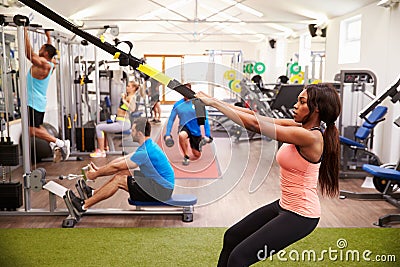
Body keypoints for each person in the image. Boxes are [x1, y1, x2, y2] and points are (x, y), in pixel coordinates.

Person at [196, 83, 341, 266]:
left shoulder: (311, 137)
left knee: (238, 258)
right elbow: (255, 117)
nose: (295, 105)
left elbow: (255, 125)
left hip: (301, 215)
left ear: (317, 109)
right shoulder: (300, 127)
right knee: (231, 237)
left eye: (301, 102)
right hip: (285, 205)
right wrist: (213, 101)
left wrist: (214, 104)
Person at [66, 117, 175, 213]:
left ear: (139, 133)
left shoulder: (145, 152)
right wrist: (99, 169)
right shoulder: (147, 145)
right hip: (158, 184)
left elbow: (117, 167)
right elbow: (122, 159)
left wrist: (96, 174)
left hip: (161, 191)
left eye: (133, 131)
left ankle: (84, 205)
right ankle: (93, 193)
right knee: (124, 173)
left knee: (120, 180)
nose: (131, 133)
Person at [24, 27, 70, 162]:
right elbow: (50, 51)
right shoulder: (50, 63)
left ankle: (60, 143)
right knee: (37, 127)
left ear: (45, 52)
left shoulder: (44, 64)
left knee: (32, 131)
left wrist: (24, 30)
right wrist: (48, 36)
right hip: (37, 102)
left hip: (34, 102)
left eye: (42, 48)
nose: (39, 49)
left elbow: (28, 53)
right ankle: (52, 142)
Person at [165, 83, 213, 166]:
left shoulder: (197, 103)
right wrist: (167, 134)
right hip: (184, 127)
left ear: (191, 91)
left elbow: (205, 120)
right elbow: (171, 120)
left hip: (195, 130)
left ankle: (198, 144)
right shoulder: (178, 105)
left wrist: (207, 135)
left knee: (196, 155)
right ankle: (186, 156)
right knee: (181, 136)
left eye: (187, 91)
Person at [90, 81, 140, 158]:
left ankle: (101, 151)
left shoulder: (131, 98)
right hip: (120, 121)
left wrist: (124, 100)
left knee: (98, 127)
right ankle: (108, 150)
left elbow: (133, 108)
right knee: (105, 130)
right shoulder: (128, 96)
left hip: (123, 123)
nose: (126, 87)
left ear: (133, 88)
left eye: (129, 86)